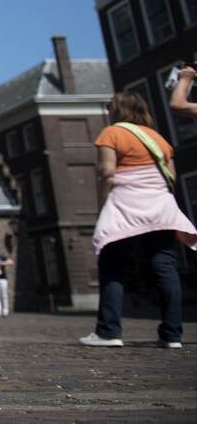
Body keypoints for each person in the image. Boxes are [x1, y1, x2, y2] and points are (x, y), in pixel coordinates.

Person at [80, 92, 197, 348]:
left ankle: (108, 332)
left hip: (127, 206)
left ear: (118, 110)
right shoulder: (158, 139)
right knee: (165, 268)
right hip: (161, 207)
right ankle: (172, 335)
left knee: (112, 265)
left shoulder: (112, 133)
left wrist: (103, 205)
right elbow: (172, 177)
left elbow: (108, 172)